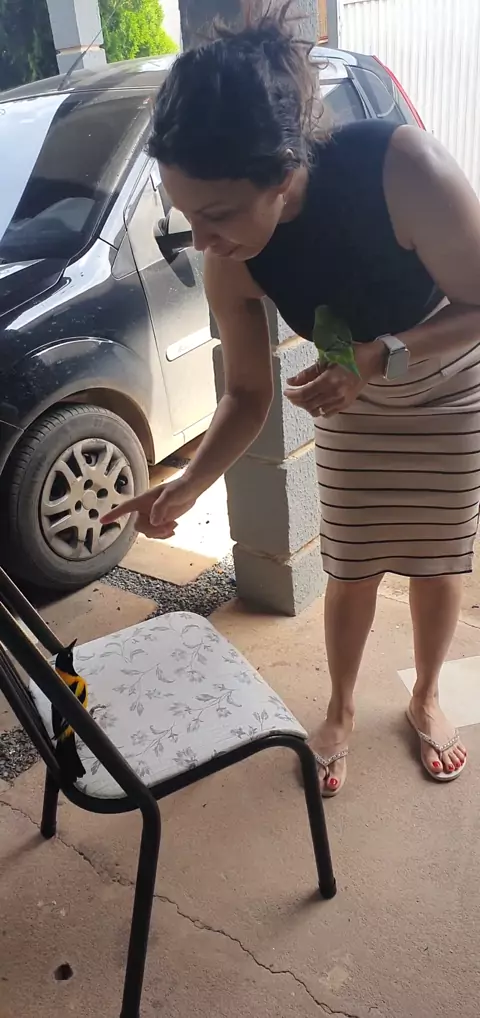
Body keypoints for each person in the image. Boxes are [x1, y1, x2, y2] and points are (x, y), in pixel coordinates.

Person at [102, 0, 480, 796]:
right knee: (352, 564)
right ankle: (340, 708)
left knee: (437, 557)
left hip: (446, 384)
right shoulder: (231, 257)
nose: (203, 241)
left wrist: (382, 356)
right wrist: (189, 484)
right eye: (186, 216)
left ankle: (424, 697)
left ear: (282, 173)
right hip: (353, 397)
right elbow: (246, 393)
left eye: (218, 215)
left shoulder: (403, 169)